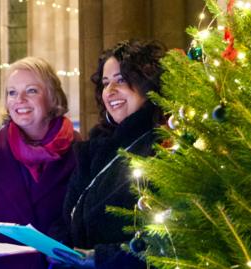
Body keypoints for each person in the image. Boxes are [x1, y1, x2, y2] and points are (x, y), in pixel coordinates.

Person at [53, 40, 165, 268]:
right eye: (105, 83)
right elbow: (69, 215)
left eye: (121, 80)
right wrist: (58, 246)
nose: (110, 91)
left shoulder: (163, 145)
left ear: (148, 83)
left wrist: (101, 258)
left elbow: (166, 236)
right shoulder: (96, 146)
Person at [0, 56, 80, 269]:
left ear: (52, 97)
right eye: (12, 92)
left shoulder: (80, 150)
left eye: (32, 91)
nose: (20, 100)